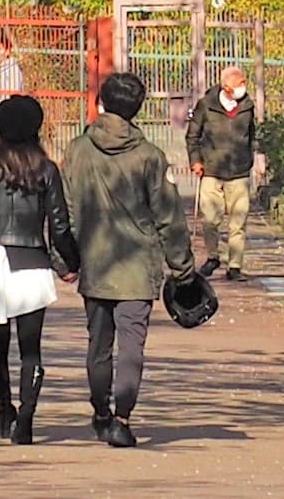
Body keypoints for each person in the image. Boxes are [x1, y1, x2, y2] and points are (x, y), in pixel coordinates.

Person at [0, 92, 80, 443]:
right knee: (31, 349)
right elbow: (59, 226)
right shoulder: (47, 169)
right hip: (33, 265)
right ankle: (26, 418)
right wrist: (68, 264)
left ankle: (4, 410)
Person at [63, 69, 178, 447]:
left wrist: (64, 259)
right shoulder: (149, 156)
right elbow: (168, 215)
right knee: (132, 346)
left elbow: (66, 209)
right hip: (137, 265)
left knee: (98, 345)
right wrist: (183, 265)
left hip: (95, 262)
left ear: (102, 102)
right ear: (138, 109)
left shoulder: (77, 150)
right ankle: (123, 418)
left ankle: (100, 411)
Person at [184, 63, 267, 277]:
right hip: (211, 170)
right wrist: (195, 160)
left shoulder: (247, 106)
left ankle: (235, 265)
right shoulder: (206, 105)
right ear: (227, 86)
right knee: (210, 219)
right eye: (241, 83)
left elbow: (250, 135)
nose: (244, 86)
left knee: (238, 221)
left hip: (238, 172)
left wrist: (251, 161)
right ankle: (213, 257)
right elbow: (192, 135)